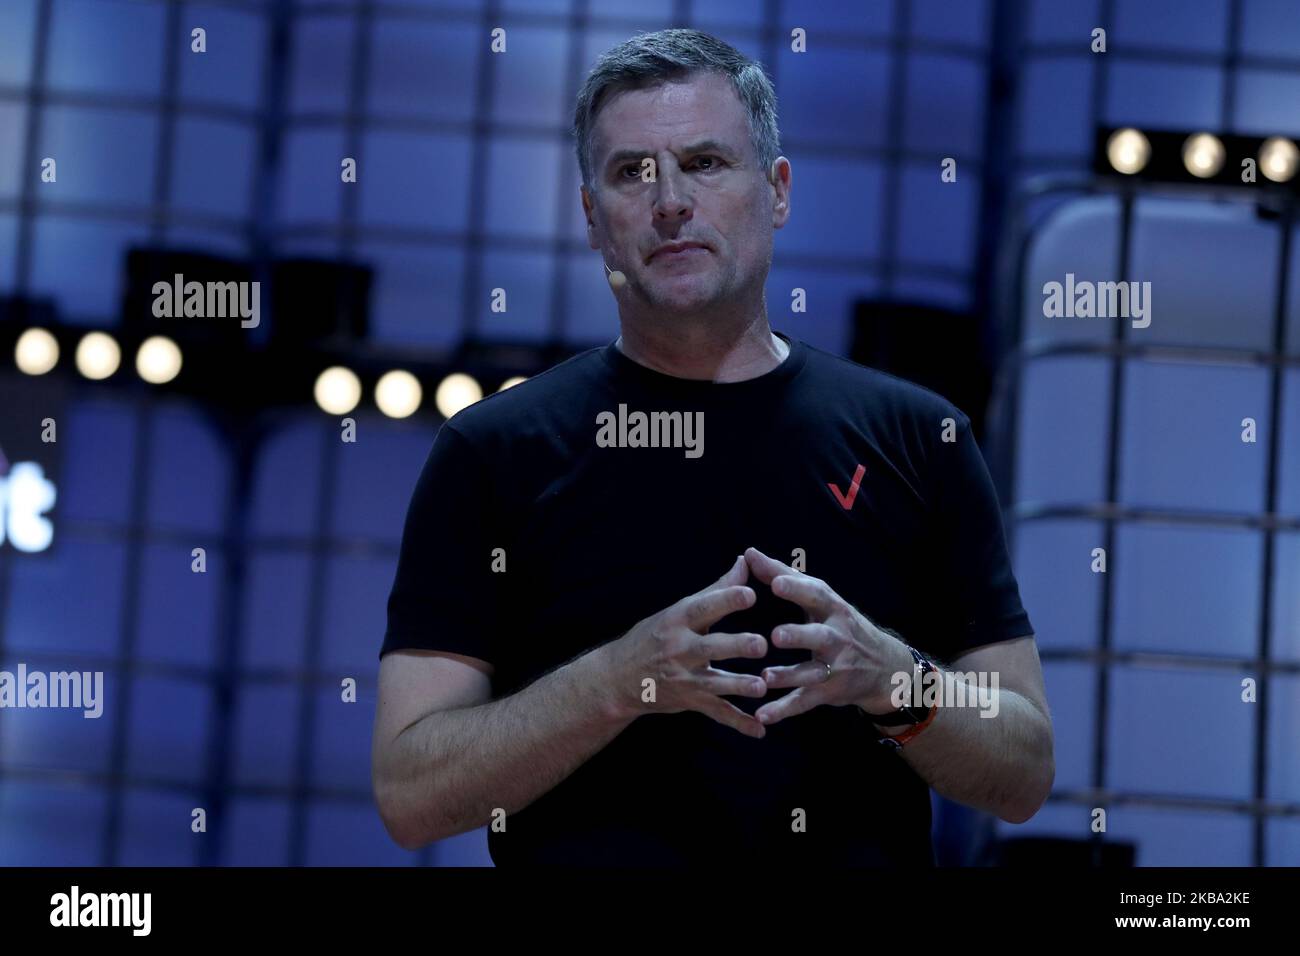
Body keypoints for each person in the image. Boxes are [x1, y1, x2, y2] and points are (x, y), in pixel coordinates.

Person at [372, 28, 1053, 866]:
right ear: (591, 217)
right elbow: (409, 794)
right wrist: (618, 680)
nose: (668, 201)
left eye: (703, 163)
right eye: (631, 172)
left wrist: (888, 676)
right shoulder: (494, 452)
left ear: (778, 191)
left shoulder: (920, 437)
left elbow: (1023, 771)